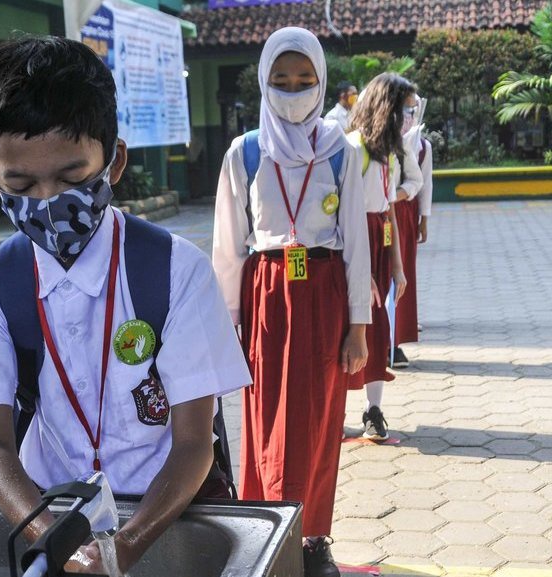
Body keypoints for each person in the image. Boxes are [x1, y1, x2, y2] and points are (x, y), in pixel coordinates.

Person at [0, 37, 251, 575]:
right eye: (21, 183)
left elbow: (195, 442)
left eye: (71, 178)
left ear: (113, 162)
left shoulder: (175, 270)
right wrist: (54, 539)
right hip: (48, 506)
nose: (47, 202)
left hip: (169, 509)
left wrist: (121, 547)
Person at [212, 27, 370, 577]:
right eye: (281, 80)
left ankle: (313, 540)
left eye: (305, 80)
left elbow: (357, 242)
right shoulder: (246, 151)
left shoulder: (342, 152)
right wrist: (226, 329)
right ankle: (265, 533)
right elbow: (228, 250)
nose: (294, 90)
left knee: (322, 421)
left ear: (322, 82)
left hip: (324, 292)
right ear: (263, 82)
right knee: (265, 418)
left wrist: (359, 327)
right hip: (265, 296)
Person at [343, 74, 420, 441]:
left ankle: (373, 411)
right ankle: (335, 415)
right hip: (355, 243)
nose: (409, 117)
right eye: (405, 109)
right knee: (348, 329)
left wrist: (397, 266)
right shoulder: (352, 149)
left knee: (378, 328)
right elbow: (344, 215)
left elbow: (387, 208)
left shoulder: (389, 153)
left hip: (379, 241)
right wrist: (361, 273)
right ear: (385, 108)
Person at [388, 89, 426, 370]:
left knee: (395, 275)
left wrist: (393, 196)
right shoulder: (352, 142)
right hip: (361, 219)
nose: (408, 117)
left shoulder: (403, 145)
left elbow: (418, 180)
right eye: (404, 110)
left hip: (394, 215)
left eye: (411, 111)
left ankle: (394, 341)